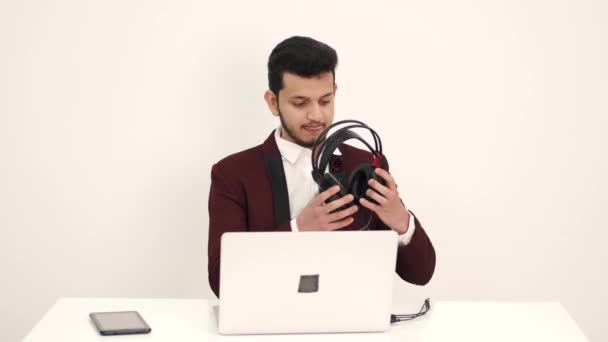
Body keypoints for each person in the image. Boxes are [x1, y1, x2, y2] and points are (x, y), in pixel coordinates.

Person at [207, 36, 435, 298]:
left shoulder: (365, 166)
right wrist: (298, 230)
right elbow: (221, 282)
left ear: (335, 93)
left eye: (325, 101)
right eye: (300, 103)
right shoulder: (233, 174)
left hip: (351, 325)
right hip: (268, 326)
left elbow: (421, 274)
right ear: (273, 102)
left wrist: (400, 220)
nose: (316, 115)